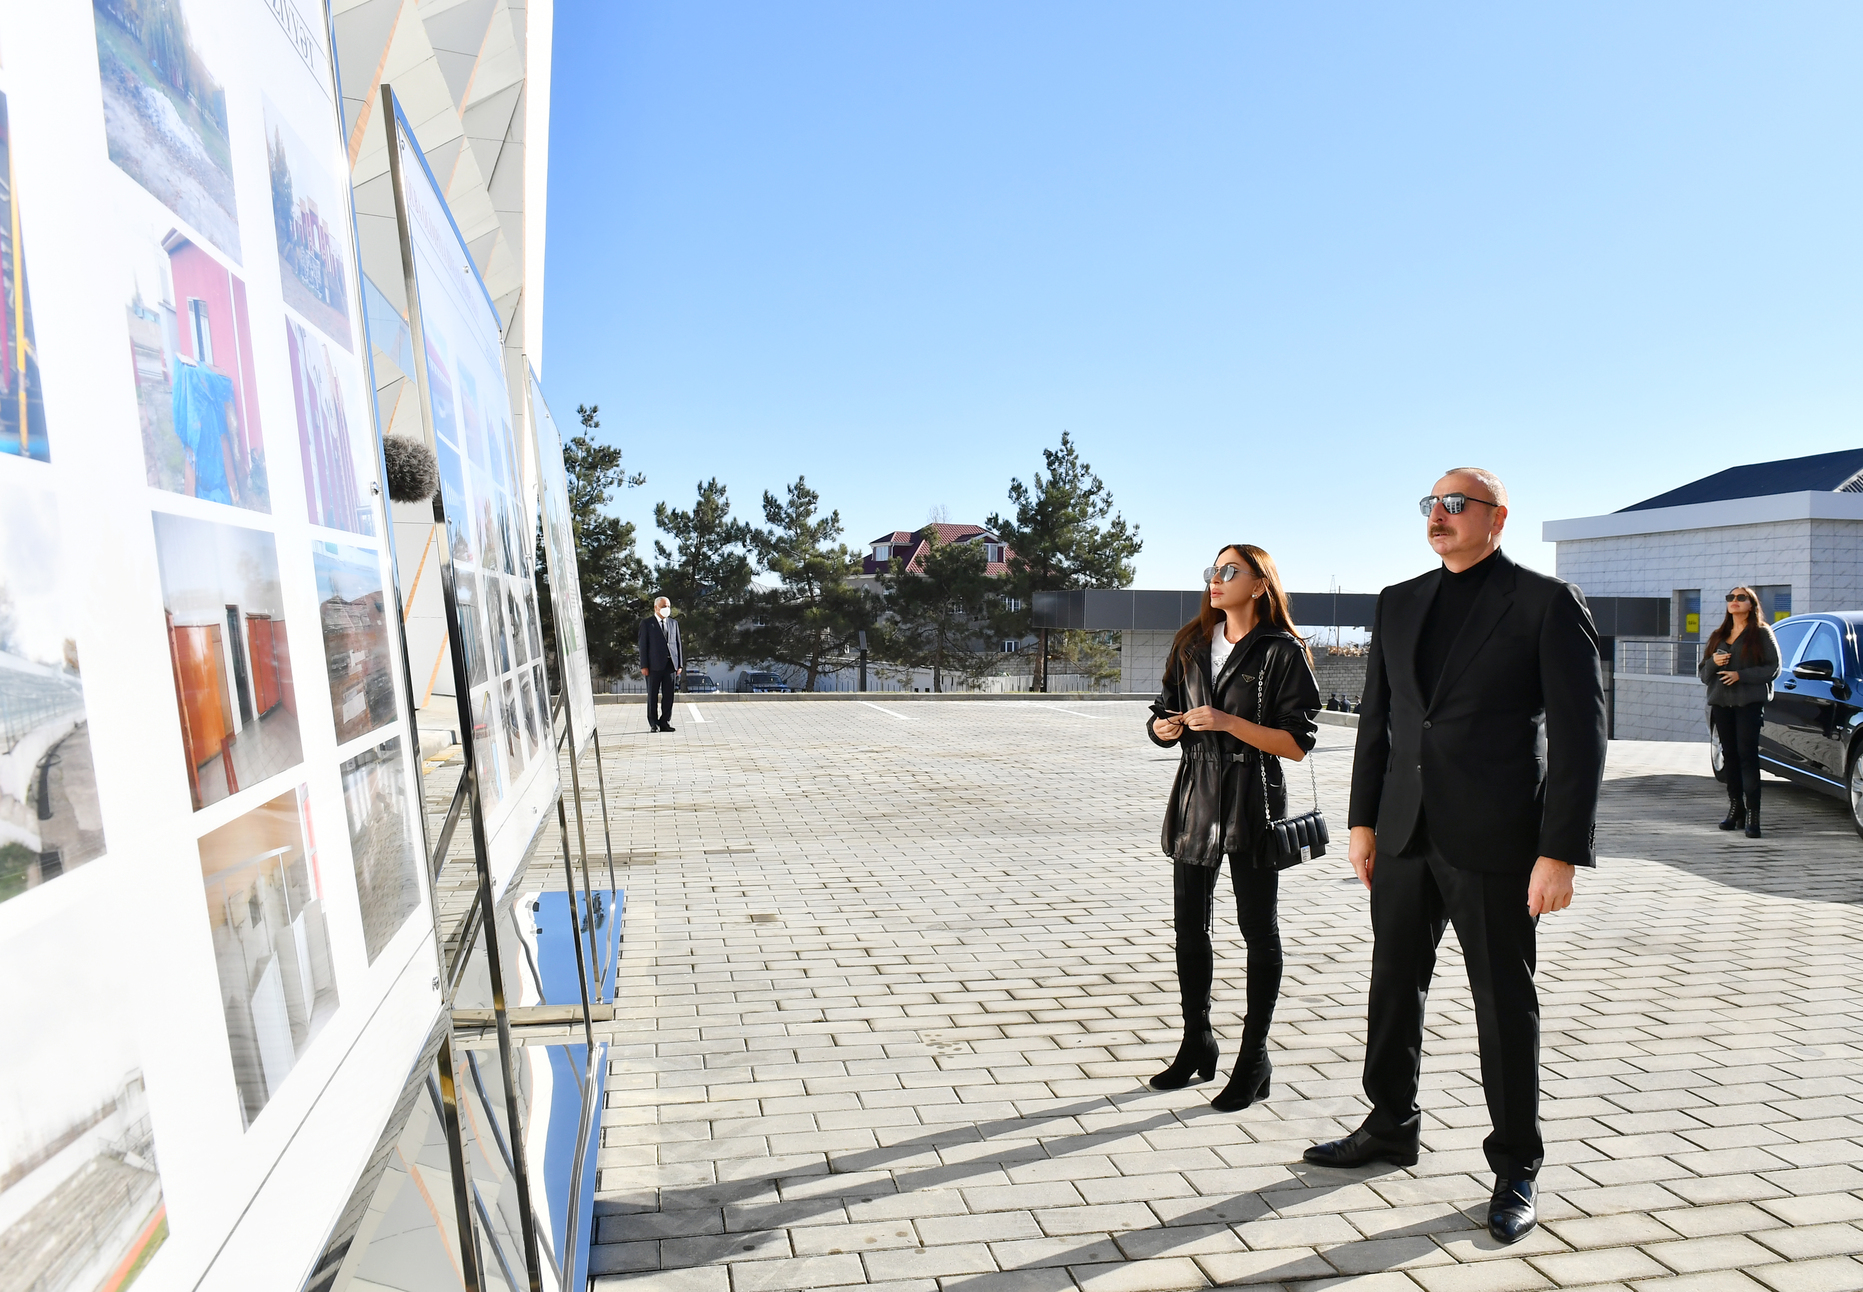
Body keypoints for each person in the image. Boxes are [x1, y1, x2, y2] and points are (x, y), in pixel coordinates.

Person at [1304, 468, 1606, 1247]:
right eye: (1430, 504)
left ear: (1495, 517)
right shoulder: (1398, 601)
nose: (1437, 516)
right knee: (1390, 985)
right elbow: (1381, 720)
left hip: (1497, 839)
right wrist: (1362, 821)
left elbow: (1580, 738)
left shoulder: (1544, 603)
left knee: (1503, 1003)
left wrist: (1560, 853)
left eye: (1453, 504)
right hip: (1403, 832)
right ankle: (1389, 1123)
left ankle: (1514, 1166)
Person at [1146, 544, 1321, 1111]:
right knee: (1188, 929)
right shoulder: (1191, 644)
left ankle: (1254, 1056)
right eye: (1212, 571)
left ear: (1260, 584)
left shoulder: (1282, 651)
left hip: (1253, 800)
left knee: (1257, 931)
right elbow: (1160, 710)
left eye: (1230, 571)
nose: (1216, 580)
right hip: (1196, 795)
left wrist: (1226, 722)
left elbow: (1295, 745)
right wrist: (1164, 728)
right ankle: (1197, 1038)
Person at [1698, 587, 1781, 838]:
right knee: (1729, 757)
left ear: (1751, 604)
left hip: (1748, 704)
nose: (1734, 602)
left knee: (1747, 756)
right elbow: (1703, 674)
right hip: (1721, 704)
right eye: (1730, 598)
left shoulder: (1762, 633)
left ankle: (1754, 815)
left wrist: (1739, 675)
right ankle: (1736, 809)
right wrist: (1714, 662)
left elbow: (1774, 668)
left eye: (1740, 598)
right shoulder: (1718, 635)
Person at [638, 597, 683, 733]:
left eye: (668, 606)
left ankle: (665, 722)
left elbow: (678, 644)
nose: (666, 609)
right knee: (653, 695)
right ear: (656, 607)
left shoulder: (673, 623)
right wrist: (644, 665)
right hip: (653, 666)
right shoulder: (647, 624)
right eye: (664, 606)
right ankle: (653, 723)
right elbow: (643, 646)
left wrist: (679, 664)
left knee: (668, 695)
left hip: (670, 665)